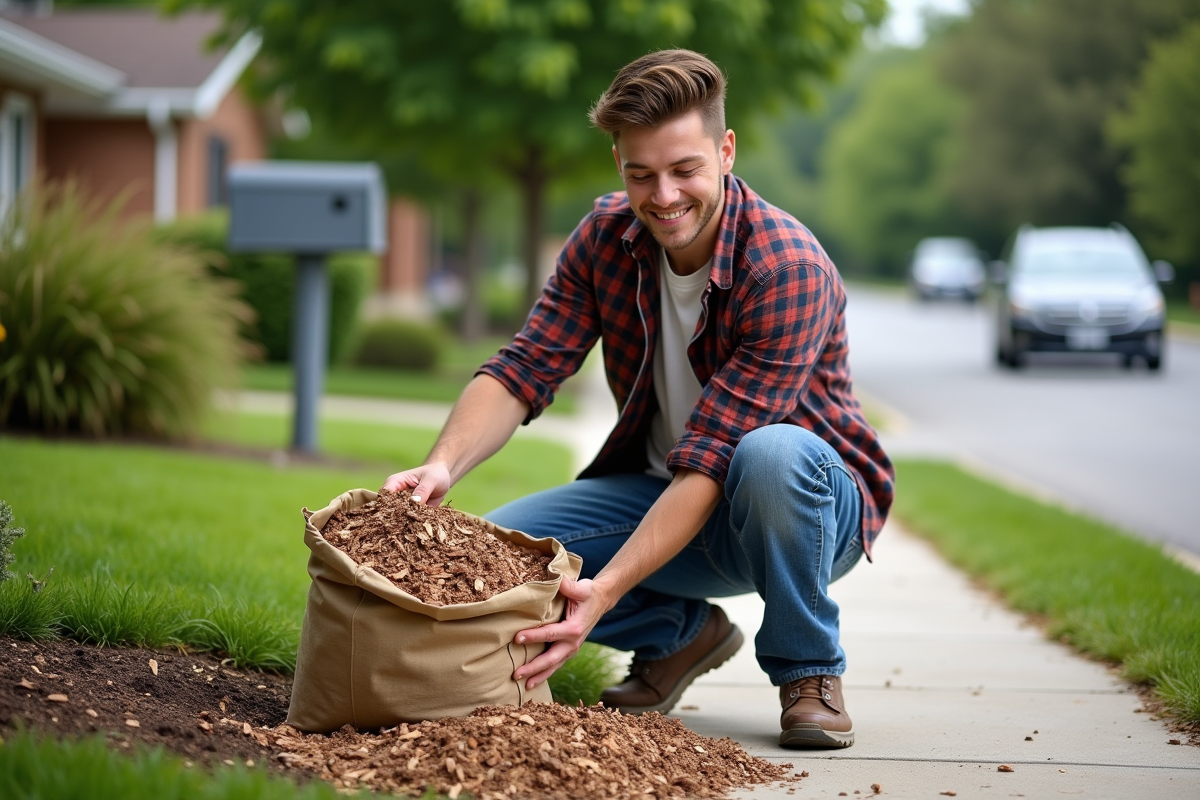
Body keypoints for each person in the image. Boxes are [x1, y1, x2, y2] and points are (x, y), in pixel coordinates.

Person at [383, 49, 893, 749]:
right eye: (640, 174)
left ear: (725, 150)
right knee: (494, 564)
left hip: (798, 509)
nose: (663, 197)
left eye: (685, 170)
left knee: (769, 455)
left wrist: (608, 587)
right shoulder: (604, 237)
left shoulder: (786, 269)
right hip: (662, 491)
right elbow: (526, 366)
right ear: (618, 161)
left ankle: (809, 671)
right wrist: (443, 465)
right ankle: (681, 635)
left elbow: (717, 457)